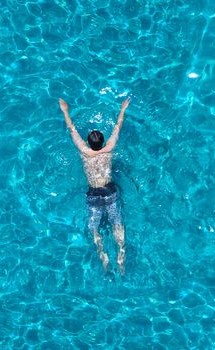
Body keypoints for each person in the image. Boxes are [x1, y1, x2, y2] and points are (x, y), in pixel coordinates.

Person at [59, 97, 130, 275]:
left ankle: (103, 258)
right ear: (103, 142)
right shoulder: (110, 148)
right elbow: (118, 127)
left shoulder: (84, 152)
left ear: (89, 143)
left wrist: (65, 111)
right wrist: (122, 110)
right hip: (110, 191)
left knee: (94, 229)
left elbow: (72, 129)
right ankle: (121, 257)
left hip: (93, 196)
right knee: (117, 224)